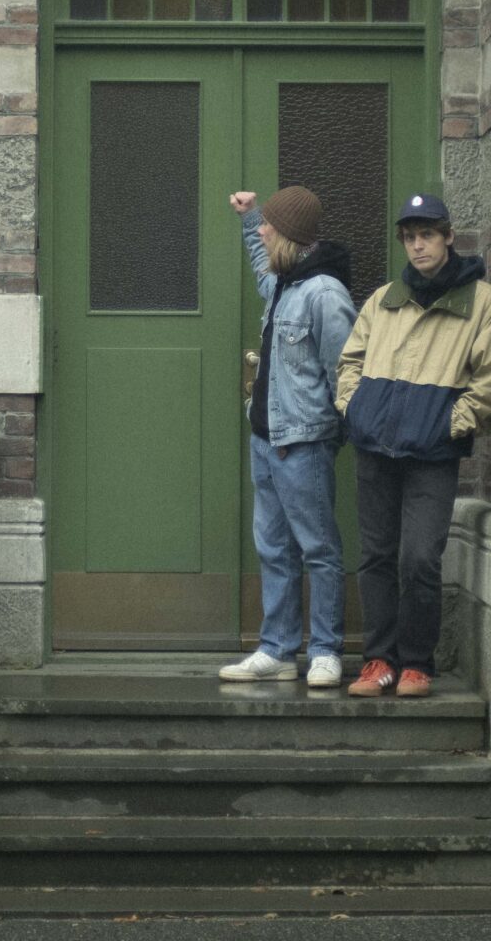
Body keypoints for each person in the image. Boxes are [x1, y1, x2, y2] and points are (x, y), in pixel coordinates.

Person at [337, 193, 491, 698]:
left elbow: (487, 379)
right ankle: (379, 661)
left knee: (420, 559)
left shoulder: (481, 302)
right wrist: (355, 409)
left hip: (433, 455)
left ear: (448, 237)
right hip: (375, 449)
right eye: (409, 237)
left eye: (427, 235)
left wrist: (451, 423)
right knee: (377, 556)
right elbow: (350, 362)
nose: (418, 246)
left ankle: (417, 664)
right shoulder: (384, 299)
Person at [220, 187, 356, 689]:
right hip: (265, 439)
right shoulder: (282, 282)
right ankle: (277, 649)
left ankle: (325, 651)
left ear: (290, 237)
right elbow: (261, 264)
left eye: (268, 226)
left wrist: (332, 435)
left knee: (318, 549)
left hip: (304, 443)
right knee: (274, 550)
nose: (262, 232)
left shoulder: (325, 294)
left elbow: (346, 373)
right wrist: (248, 215)